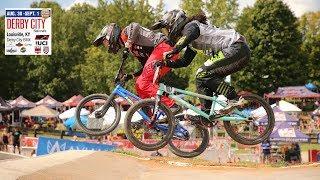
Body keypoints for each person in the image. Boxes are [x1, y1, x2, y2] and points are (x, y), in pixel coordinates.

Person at [151, 10, 250, 118]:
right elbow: (185, 62)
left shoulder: (191, 26)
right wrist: (165, 63)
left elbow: (189, 35)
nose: (168, 32)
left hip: (236, 47)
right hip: (235, 53)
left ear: (175, 22)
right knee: (200, 78)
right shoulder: (190, 40)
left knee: (202, 72)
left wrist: (174, 50)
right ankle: (206, 115)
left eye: (167, 28)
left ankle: (233, 98)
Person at [93, 23, 194, 109]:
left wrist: (129, 43)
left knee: (143, 82)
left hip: (163, 47)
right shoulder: (133, 50)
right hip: (165, 57)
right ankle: (150, 118)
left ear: (110, 35)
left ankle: (171, 106)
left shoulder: (126, 33)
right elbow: (146, 68)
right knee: (139, 85)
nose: (107, 46)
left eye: (105, 42)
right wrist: (131, 76)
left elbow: (135, 25)